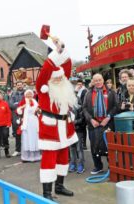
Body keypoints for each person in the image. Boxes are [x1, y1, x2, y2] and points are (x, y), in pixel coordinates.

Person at [36, 40, 78, 200]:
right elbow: (46, 70)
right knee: (49, 160)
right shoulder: (43, 87)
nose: (60, 79)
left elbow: (66, 65)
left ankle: (59, 186)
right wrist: (55, 54)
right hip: (50, 127)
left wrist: (61, 49)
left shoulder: (64, 83)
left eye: (62, 78)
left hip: (65, 127)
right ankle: (47, 192)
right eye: (57, 78)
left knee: (63, 158)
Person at [83, 73, 118, 175]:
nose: (98, 82)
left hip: (107, 123)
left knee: (108, 146)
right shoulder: (88, 93)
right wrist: (91, 120)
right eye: (96, 80)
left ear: (103, 80)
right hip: (93, 124)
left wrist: (108, 118)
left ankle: (111, 166)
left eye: (99, 80)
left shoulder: (111, 92)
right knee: (94, 146)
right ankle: (98, 166)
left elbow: (116, 106)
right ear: (93, 82)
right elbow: (84, 108)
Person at [16, 89, 41, 162]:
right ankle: (26, 157)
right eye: (28, 94)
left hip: (34, 121)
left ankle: (35, 156)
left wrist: (38, 111)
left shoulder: (35, 101)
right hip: (26, 122)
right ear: (25, 95)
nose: (29, 95)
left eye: (30, 94)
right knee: (27, 138)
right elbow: (18, 111)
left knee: (34, 138)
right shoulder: (23, 101)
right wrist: (22, 107)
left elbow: (39, 111)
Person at [9, 81, 25, 157]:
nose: (19, 86)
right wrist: (20, 105)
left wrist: (18, 104)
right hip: (16, 115)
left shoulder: (26, 93)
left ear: (23, 85)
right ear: (16, 86)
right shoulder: (13, 94)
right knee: (17, 133)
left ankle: (26, 149)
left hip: (25, 115)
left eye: (20, 84)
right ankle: (17, 150)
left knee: (26, 133)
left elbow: (28, 103)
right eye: (18, 85)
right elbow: (11, 104)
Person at [74, 79, 88, 149]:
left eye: (80, 84)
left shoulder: (84, 91)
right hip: (77, 112)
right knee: (79, 129)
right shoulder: (76, 91)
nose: (79, 86)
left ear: (82, 84)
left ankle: (84, 143)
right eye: (78, 84)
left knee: (83, 128)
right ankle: (79, 143)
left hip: (82, 111)